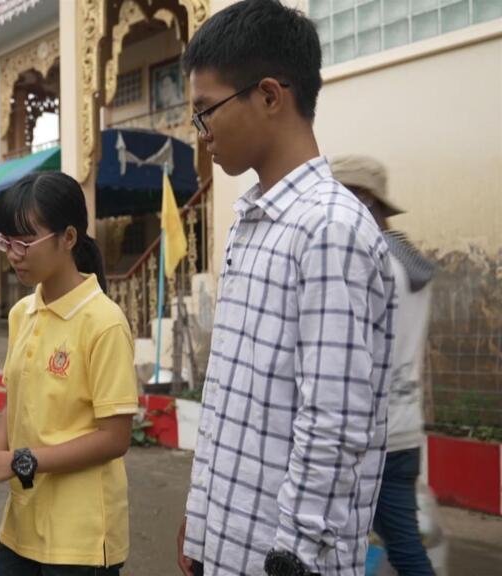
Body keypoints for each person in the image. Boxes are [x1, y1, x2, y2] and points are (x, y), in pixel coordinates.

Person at [175, 2, 396, 576]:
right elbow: (227, 397)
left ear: (270, 96)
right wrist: (201, 521)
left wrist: (291, 558)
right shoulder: (251, 224)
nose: (202, 133)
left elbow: (332, 425)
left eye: (205, 111)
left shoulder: (330, 229)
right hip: (229, 540)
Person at [0, 171, 138, 576]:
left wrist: (16, 462)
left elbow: (115, 438)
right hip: (23, 527)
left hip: (82, 539)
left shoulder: (104, 322)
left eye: (25, 243)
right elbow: (16, 402)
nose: (13, 255)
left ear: (69, 238)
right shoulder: (21, 313)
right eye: (6, 242)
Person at [332, 155, 436, 576]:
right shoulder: (409, 263)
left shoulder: (373, 263)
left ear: (363, 199)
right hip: (405, 427)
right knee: (392, 543)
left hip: (373, 434)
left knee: (402, 551)